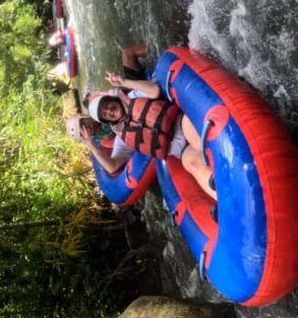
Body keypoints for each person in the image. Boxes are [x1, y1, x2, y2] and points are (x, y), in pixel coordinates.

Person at [79, 43, 217, 200]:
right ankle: (222, 196)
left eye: (108, 106)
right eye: (105, 114)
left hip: (181, 124)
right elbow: (113, 166)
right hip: (180, 150)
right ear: (107, 121)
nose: (109, 111)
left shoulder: (131, 98)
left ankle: (221, 163)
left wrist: (123, 82)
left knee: (194, 136)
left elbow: (154, 90)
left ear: (112, 99)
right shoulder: (122, 137)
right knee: (190, 163)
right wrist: (91, 146)